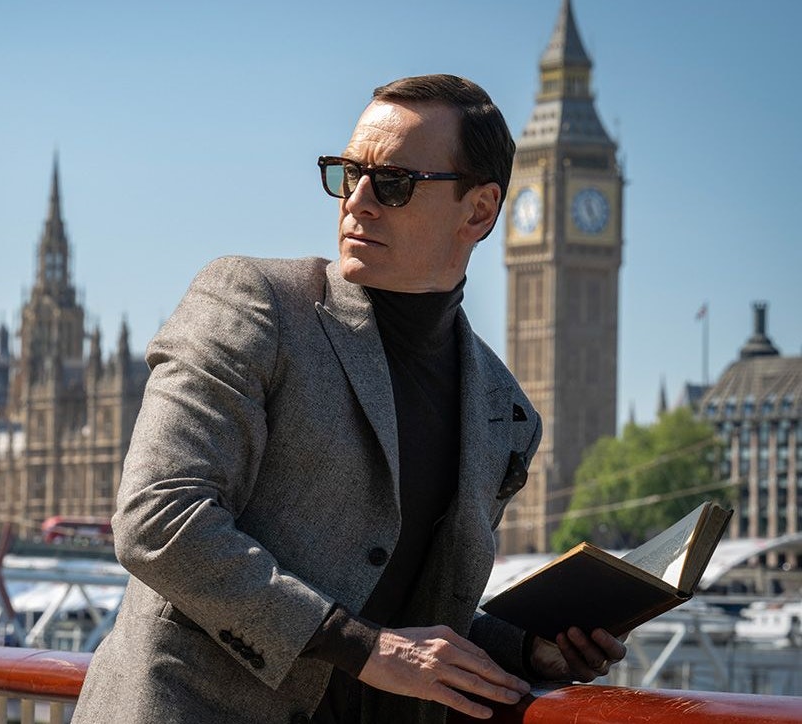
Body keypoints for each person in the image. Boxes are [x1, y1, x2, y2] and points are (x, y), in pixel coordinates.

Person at [72, 74, 626, 724]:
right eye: (348, 174)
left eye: (393, 183)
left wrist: (529, 650)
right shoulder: (255, 305)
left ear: (478, 211)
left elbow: (403, 610)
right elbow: (157, 518)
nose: (357, 202)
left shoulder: (505, 413)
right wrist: (365, 648)